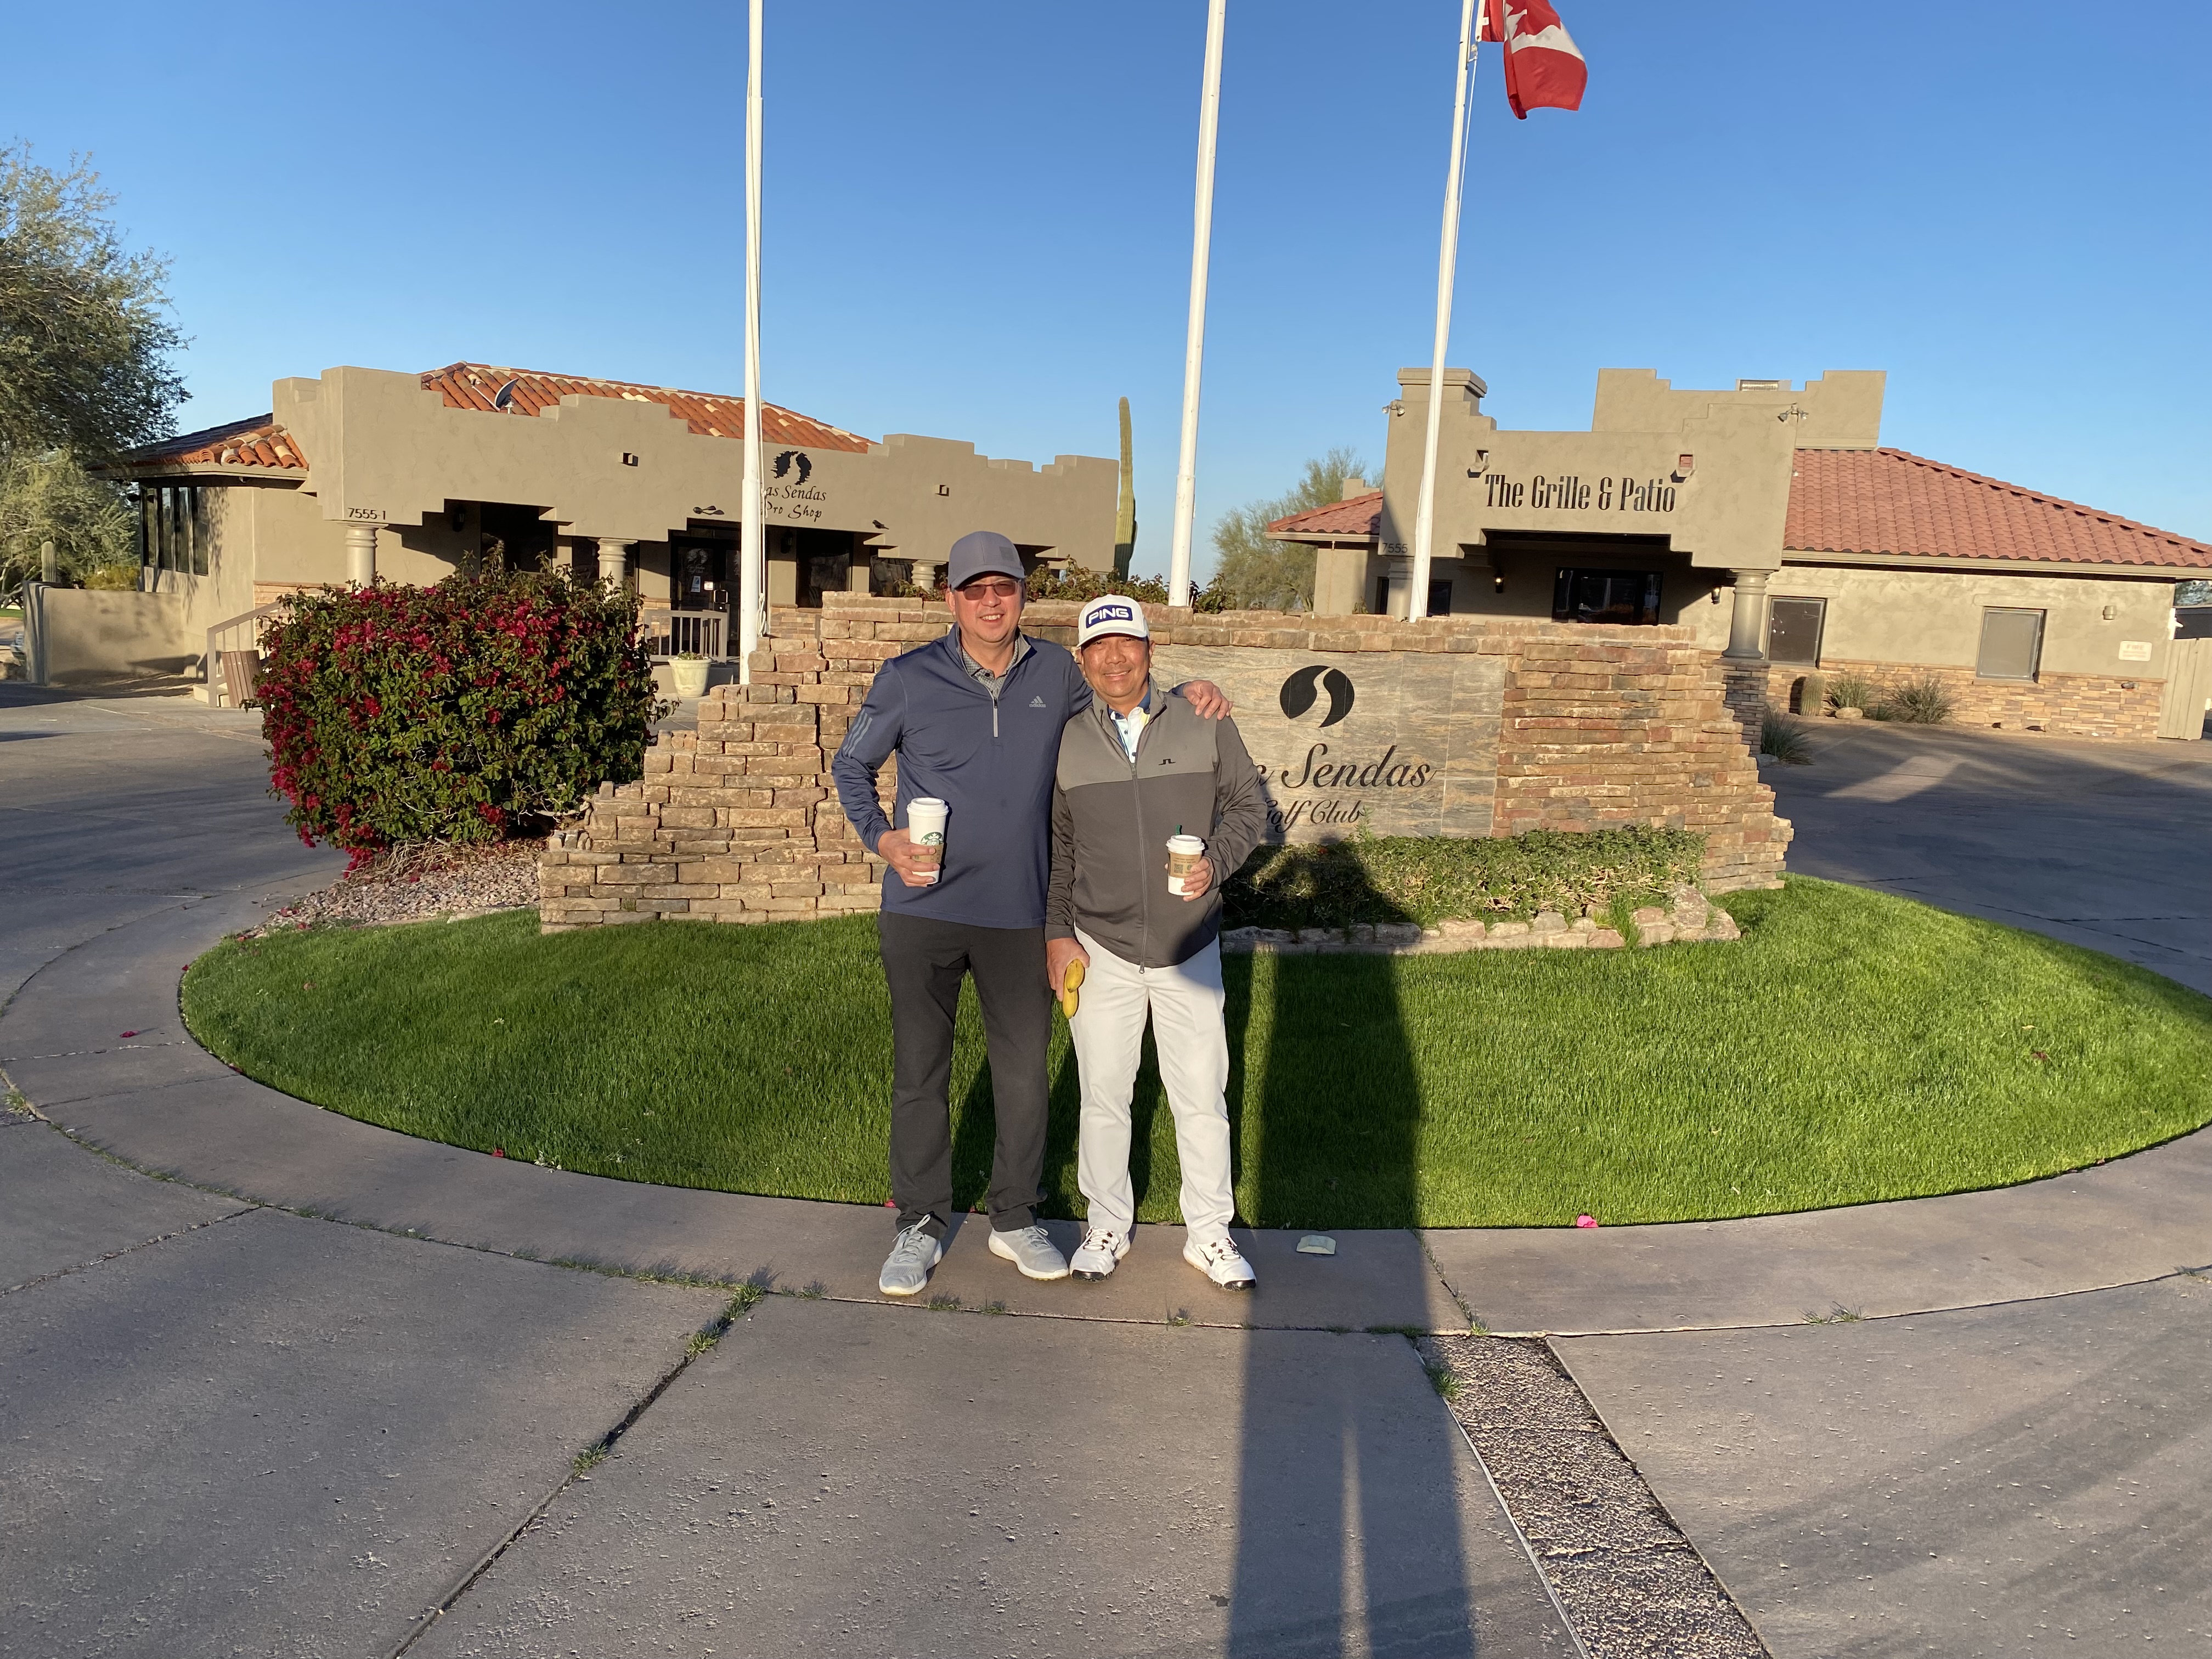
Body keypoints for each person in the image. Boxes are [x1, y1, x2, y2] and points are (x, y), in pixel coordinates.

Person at [831, 532, 1231, 1298]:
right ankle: (920, 1222)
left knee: (1022, 1075)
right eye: (974, 589)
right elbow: (853, 765)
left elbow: (1127, 697)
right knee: (921, 1071)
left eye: (1005, 589)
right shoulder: (907, 678)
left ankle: (1014, 1216)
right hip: (923, 910)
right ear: (949, 599)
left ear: (1023, 597)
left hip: (1020, 911)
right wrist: (881, 838)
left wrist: (1192, 694)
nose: (991, 602)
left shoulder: (1056, 670)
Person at [1045, 596, 1269, 1291]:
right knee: (1104, 1095)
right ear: (1082, 660)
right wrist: (1057, 934)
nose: (1114, 658)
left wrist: (1216, 861)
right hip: (1100, 944)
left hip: (1188, 942)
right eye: (1098, 648)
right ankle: (1105, 1222)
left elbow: (1248, 806)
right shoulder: (1066, 737)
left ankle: (1210, 1235)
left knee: (1201, 1095)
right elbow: (1059, 847)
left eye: (1127, 643)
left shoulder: (1203, 718)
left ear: (1149, 649)